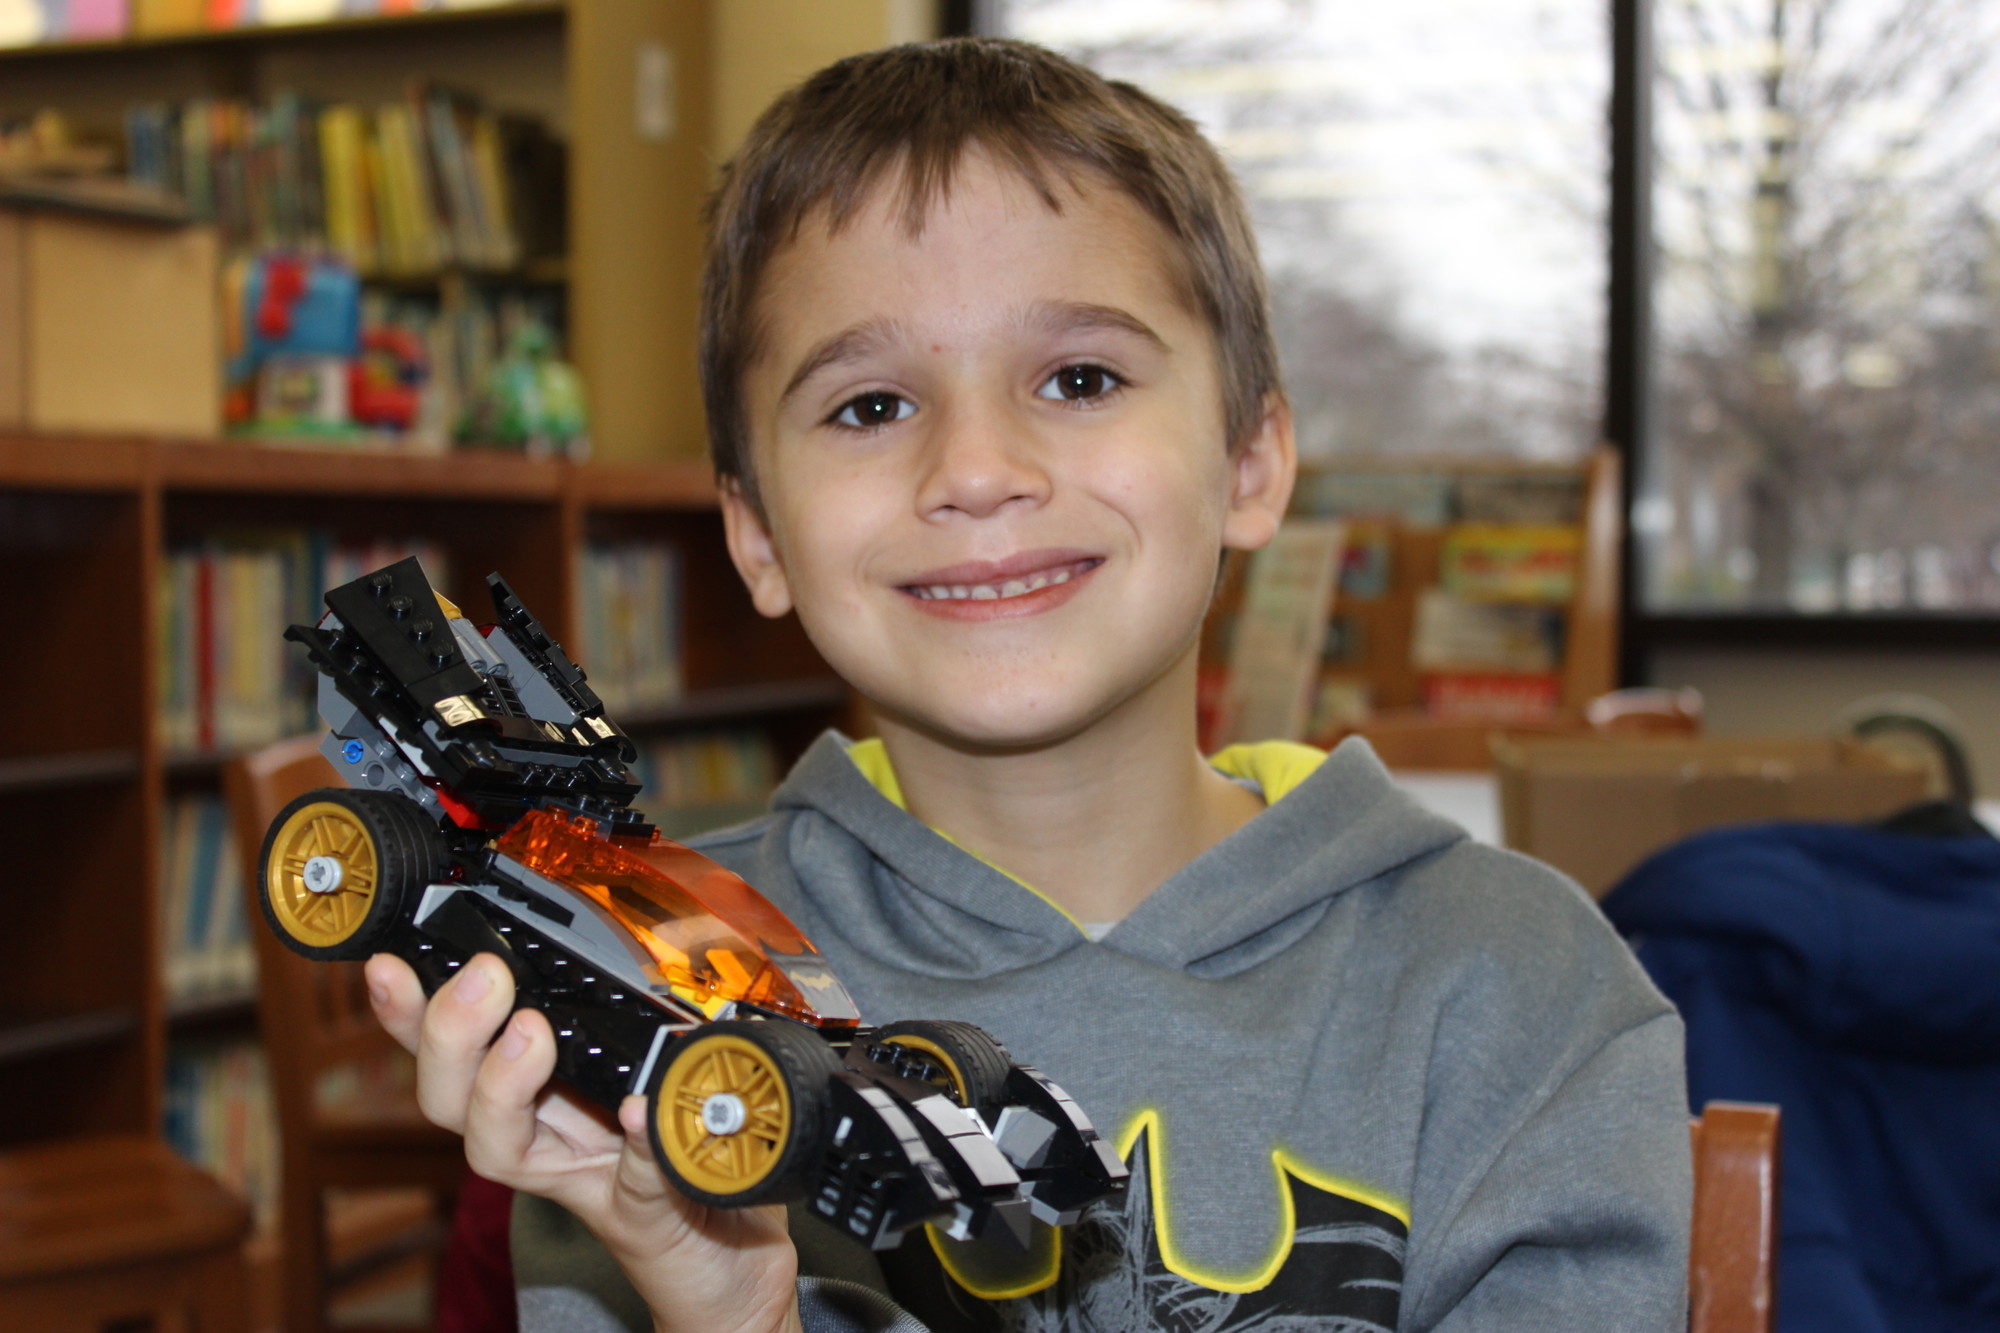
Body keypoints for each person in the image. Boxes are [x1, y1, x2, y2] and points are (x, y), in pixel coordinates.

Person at [365, 37, 1690, 1333]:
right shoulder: (652, 976)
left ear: (1249, 461)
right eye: (872, 405)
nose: (979, 465)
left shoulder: (1524, 990)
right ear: (758, 533)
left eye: (1079, 377)